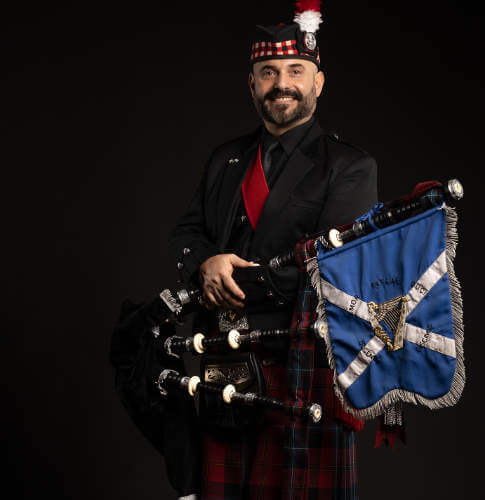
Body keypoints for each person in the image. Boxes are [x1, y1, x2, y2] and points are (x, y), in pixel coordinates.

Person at [167, 3, 378, 498]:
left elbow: (333, 268)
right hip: (223, 366)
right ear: (252, 84)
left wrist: (229, 281)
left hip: (302, 369)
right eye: (268, 73)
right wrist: (205, 261)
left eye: (295, 71)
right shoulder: (226, 159)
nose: (281, 83)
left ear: (318, 82)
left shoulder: (348, 167)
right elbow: (185, 233)